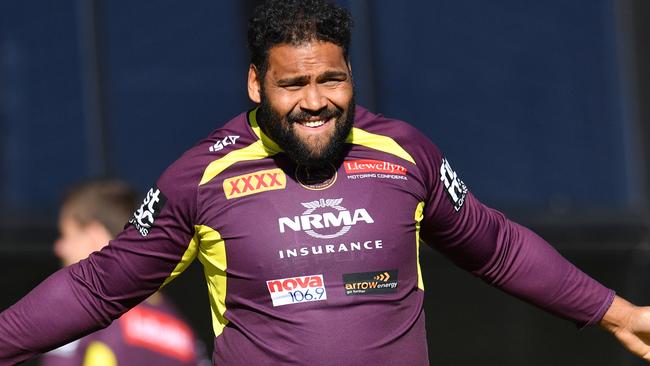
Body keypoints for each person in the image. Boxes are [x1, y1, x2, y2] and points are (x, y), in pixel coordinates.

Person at [1, 0, 650, 365]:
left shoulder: (403, 153)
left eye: (331, 79)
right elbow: (98, 284)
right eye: (294, 84)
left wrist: (616, 313)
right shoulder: (201, 176)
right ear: (257, 85)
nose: (316, 101)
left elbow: (497, 246)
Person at [38, 180, 207, 366]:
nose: (59, 248)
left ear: (95, 237)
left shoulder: (83, 315)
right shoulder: (186, 338)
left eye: (65, 235)